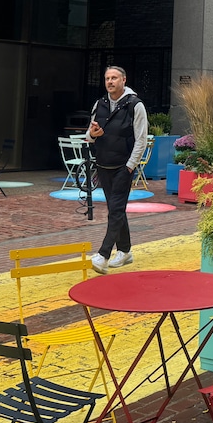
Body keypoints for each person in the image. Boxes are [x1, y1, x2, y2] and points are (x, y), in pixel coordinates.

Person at [84, 66, 150, 273]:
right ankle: (125, 251)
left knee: (115, 210)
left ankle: (103, 255)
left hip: (123, 167)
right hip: (103, 165)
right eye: (107, 78)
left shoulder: (135, 105)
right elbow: (88, 136)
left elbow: (141, 140)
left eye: (114, 78)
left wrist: (130, 166)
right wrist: (94, 134)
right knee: (116, 210)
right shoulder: (99, 104)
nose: (110, 82)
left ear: (124, 80)